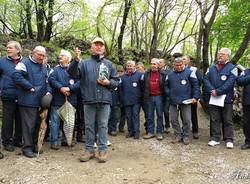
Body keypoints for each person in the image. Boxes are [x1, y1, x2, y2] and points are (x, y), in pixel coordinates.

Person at [68, 37, 119, 163]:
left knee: (103, 125)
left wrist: (108, 82)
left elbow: (116, 81)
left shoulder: (109, 64)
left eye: (101, 45)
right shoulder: (83, 63)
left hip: (105, 100)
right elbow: (72, 74)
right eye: (96, 45)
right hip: (89, 100)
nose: (98, 47)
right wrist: (75, 60)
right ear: (91, 48)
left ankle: (102, 149)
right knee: (89, 126)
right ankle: (89, 150)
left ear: (104, 48)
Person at [13, 46, 51, 158]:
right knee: (28, 125)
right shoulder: (24, 63)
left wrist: (48, 91)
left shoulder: (44, 66)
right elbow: (16, 76)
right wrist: (29, 87)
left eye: (43, 55)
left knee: (36, 125)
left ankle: (34, 145)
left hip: (40, 101)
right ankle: (26, 148)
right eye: (39, 55)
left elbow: (47, 81)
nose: (42, 57)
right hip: (27, 100)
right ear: (33, 53)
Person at [204, 48, 237, 149]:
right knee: (214, 118)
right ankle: (215, 138)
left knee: (227, 119)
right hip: (213, 97)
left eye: (222, 54)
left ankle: (229, 139)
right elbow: (205, 79)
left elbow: (230, 82)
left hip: (226, 98)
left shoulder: (232, 68)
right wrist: (212, 90)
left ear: (228, 56)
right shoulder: (212, 67)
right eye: (219, 54)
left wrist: (218, 91)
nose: (220, 56)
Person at [48, 49, 80, 150]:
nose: (60, 57)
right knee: (55, 122)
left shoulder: (75, 69)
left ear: (68, 58)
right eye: (60, 55)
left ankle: (67, 140)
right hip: (57, 100)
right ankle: (54, 141)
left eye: (62, 55)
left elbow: (79, 82)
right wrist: (61, 88)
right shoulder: (55, 70)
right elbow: (51, 80)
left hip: (71, 101)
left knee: (69, 122)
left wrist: (70, 88)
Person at [165, 57, 200, 145]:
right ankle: (178, 135)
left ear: (183, 64)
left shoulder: (190, 73)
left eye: (180, 65)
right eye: (177, 65)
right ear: (174, 65)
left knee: (187, 120)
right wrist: (169, 94)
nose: (179, 67)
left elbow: (196, 85)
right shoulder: (169, 74)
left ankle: (186, 136)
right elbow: (165, 86)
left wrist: (195, 97)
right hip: (173, 101)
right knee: (173, 119)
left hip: (186, 101)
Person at [0, 41, 23, 152]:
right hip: (8, 95)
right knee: (7, 120)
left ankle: (17, 139)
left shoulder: (25, 62)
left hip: (22, 95)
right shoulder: (2, 62)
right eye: (7, 47)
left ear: (17, 50)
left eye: (10, 48)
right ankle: (7, 142)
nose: (8, 49)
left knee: (20, 119)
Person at [142, 58, 166, 140]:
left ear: (158, 65)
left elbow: (165, 86)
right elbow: (143, 85)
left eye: (155, 64)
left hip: (159, 96)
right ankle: (150, 132)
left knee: (159, 115)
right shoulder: (146, 74)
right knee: (149, 115)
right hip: (149, 96)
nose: (153, 65)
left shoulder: (163, 74)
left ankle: (159, 132)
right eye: (152, 64)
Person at [120, 61, 143, 139]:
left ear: (134, 66)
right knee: (128, 116)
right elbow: (121, 89)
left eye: (131, 66)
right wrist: (122, 98)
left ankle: (136, 132)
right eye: (128, 66)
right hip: (126, 100)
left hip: (136, 101)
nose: (129, 67)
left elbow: (143, 88)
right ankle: (130, 131)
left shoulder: (140, 75)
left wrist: (141, 98)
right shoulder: (123, 77)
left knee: (135, 115)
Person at [182, 55, 203, 139]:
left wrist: (196, 95)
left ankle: (195, 131)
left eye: (184, 59)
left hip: (192, 96)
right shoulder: (179, 69)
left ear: (189, 60)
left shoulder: (194, 69)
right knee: (182, 113)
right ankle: (185, 128)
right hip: (183, 96)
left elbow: (199, 81)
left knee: (193, 113)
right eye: (182, 59)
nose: (183, 60)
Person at [237, 54, 250, 150]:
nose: (249, 61)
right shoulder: (245, 72)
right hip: (247, 101)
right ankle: (248, 142)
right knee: (247, 122)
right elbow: (239, 81)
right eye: (248, 59)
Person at [159, 58, 171, 133]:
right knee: (159, 111)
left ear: (164, 63)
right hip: (159, 94)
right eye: (158, 62)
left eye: (160, 62)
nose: (159, 63)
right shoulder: (156, 71)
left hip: (167, 95)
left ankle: (167, 126)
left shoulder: (169, 72)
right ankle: (161, 127)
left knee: (166, 111)